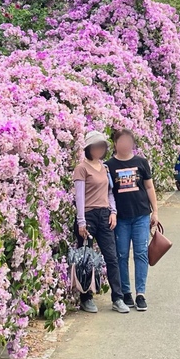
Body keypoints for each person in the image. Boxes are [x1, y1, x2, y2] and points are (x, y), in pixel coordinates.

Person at [72, 131, 131, 314]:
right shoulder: (81, 168)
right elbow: (79, 197)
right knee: (87, 259)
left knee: (112, 257)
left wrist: (113, 212)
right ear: (89, 148)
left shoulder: (104, 168)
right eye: (96, 146)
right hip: (88, 217)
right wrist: (81, 222)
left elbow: (110, 192)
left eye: (102, 146)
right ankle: (86, 298)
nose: (99, 149)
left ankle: (118, 297)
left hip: (105, 215)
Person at [107, 129, 159, 312]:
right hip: (121, 218)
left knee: (141, 254)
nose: (125, 145)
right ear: (115, 143)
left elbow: (149, 187)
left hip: (141, 215)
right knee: (121, 255)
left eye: (128, 141)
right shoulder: (109, 166)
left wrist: (155, 211)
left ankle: (140, 293)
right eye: (121, 141)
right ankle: (126, 292)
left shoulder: (141, 162)